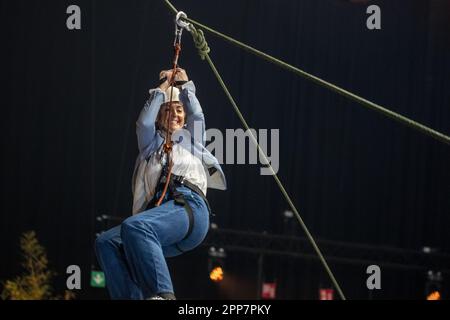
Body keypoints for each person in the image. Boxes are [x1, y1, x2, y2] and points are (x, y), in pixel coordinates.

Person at [95, 67, 226, 300]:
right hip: (161, 215)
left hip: (189, 207)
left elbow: (197, 115)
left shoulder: (192, 139)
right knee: (107, 242)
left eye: (178, 111)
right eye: (167, 110)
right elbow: (144, 123)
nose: (174, 115)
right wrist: (162, 88)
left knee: (136, 227)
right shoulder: (149, 147)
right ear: (158, 116)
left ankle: (163, 296)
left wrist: (184, 84)